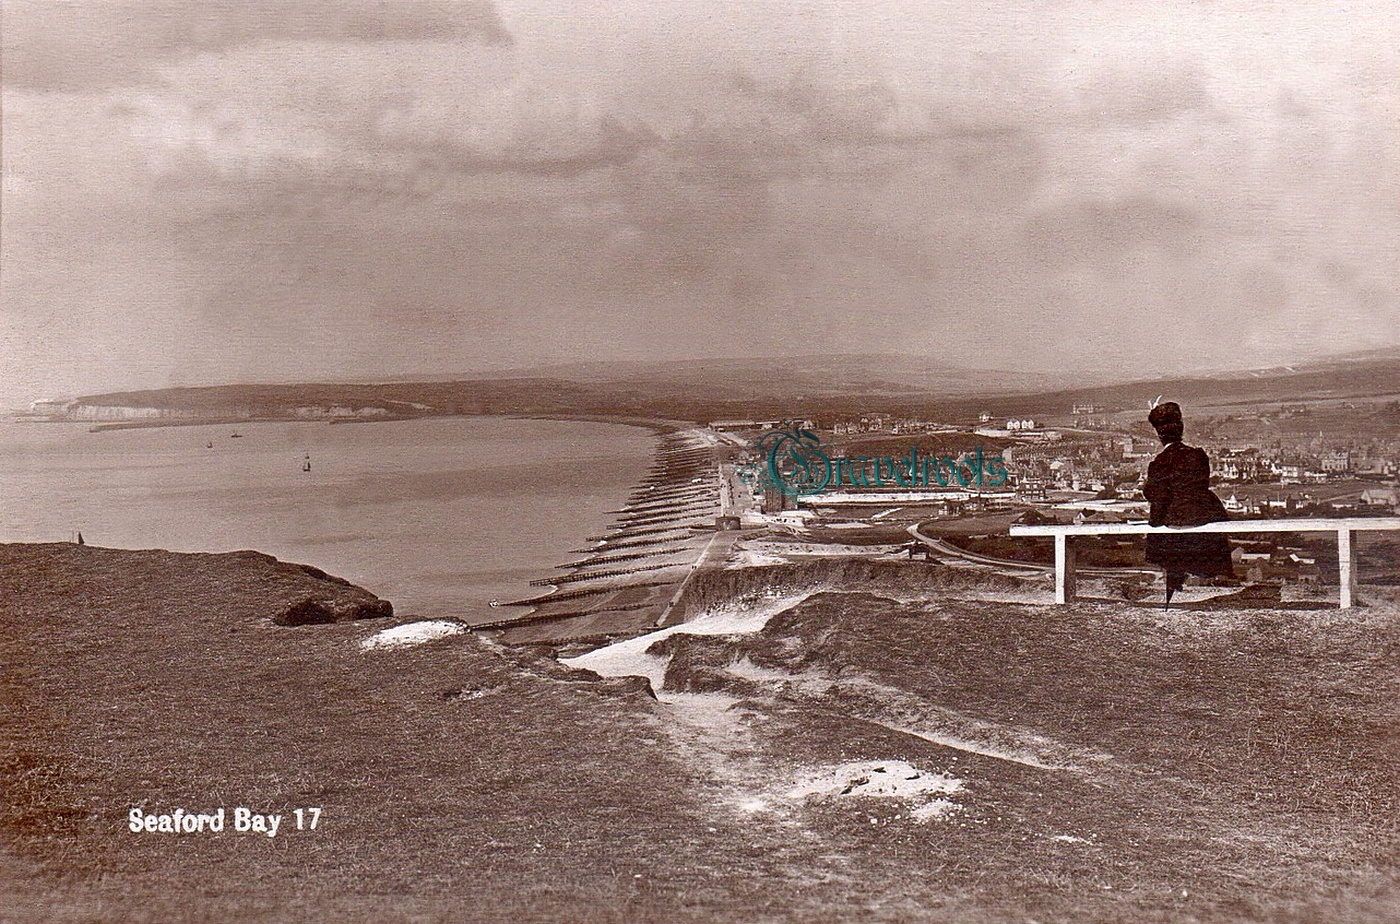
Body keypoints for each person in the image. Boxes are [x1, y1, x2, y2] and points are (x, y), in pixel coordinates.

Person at [1142, 401, 1233, 608]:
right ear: (1181, 429)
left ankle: (1171, 601)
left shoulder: (1159, 462)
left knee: (1170, 559)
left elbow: (1158, 496)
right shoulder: (1198, 456)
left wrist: (1148, 491)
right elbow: (1197, 486)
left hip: (1175, 522)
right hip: (1205, 519)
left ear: (1159, 435)